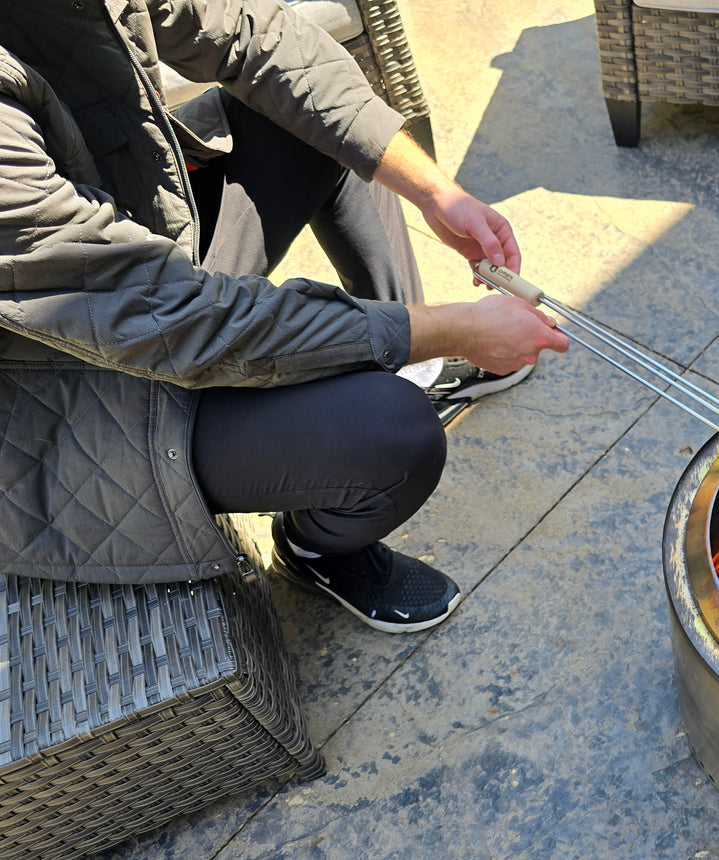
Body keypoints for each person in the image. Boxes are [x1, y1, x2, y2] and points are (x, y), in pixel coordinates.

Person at [0, 0, 569, 633]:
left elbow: (257, 34)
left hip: (131, 266)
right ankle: (316, 548)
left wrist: (439, 193)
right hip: (57, 411)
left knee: (313, 116)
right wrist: (454, 326)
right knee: (396, 437)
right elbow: (187, 323)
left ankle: (414, 368)